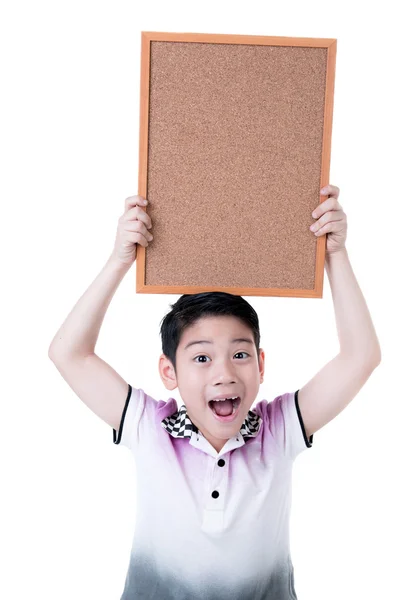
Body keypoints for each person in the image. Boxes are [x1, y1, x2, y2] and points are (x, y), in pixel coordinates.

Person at [48, 185, 381, 599]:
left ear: (260, 365)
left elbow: (361, 356)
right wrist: (120, 260)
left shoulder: (279, 431)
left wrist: (335, 255)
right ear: (169, 371)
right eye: (202, 358)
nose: (223, 373)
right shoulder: (149, 427)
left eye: (239, 354)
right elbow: (68, 353)